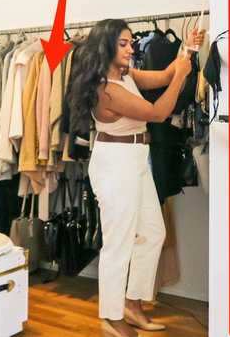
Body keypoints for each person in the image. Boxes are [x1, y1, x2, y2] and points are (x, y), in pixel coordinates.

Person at [67, 18, 205, 337]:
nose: (131, 49)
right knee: (118, 243)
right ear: (106, 47)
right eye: (124, 44)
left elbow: (163, 75)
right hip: (115, 164)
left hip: (135, 159)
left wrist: (187, 50)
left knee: (153, 232)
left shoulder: (125, 75)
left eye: (131, 43)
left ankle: (132, 303)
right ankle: (112, 317)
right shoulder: (106, 89)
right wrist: (181, 75)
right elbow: (157, 113)